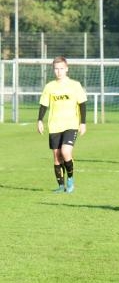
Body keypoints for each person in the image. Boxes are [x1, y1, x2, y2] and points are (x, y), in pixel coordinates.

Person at [37, 56, 87, 193]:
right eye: (56, 69)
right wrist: (39, 120)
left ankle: (70, 179)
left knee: (65, 152)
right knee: (57, 156)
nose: (58, 72)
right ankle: (60, 186)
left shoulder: (75, 85)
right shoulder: (49, 86)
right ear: (53, 70)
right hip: (54, 126)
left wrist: (83, 123)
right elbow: (43, 105)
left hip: (71, 124)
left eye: (61, 69)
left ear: (67, 69)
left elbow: (82, 104)